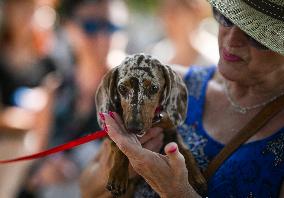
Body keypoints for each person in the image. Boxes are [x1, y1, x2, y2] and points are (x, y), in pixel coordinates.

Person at [81, 0, 284, 197]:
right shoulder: (169, 85)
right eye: (227, 19)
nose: (231, 40)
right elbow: (86, 189)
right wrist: (121, 168)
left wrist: (176, 192)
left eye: (255, 36)